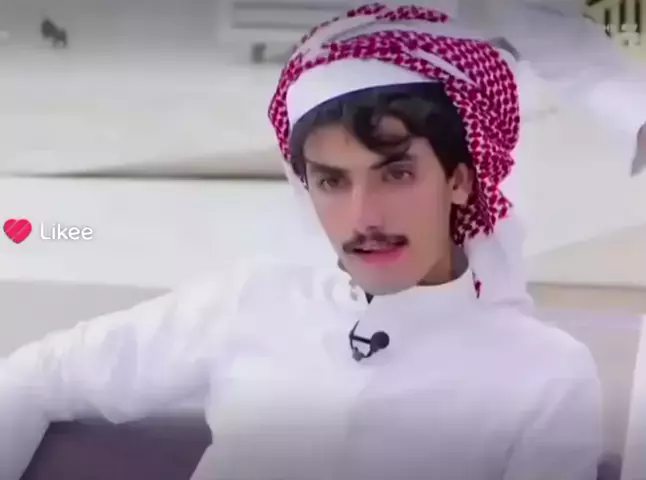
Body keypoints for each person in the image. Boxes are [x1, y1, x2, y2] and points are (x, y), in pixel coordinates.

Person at [0, 4, 602, 479]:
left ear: (460, 180)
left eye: (396, 174)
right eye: (332, 182)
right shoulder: (253, 302)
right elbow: (34, 377)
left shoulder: (544, 377)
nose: (364, 217)